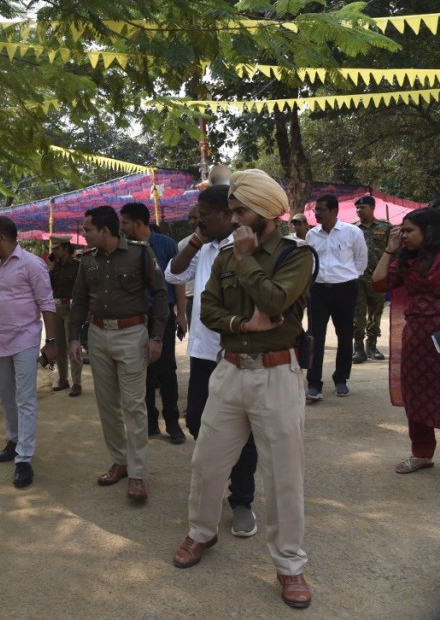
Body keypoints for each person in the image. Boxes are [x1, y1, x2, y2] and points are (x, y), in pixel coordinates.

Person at [173, 169, 315, 609]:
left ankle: (289, 565)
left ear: (268, 213)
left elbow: (275, 301)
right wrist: (240, 323)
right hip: (230, 369)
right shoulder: (223, 255)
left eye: (240, 211)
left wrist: (250, 261)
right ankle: (201, 533)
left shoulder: (297, 255)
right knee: (207, 461)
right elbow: (209, 309)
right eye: (231, 211)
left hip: (278, 374)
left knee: (284, 476)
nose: (233, 220)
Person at [165, 185, 259, 538]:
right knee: (197, 421)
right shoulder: (200, 247)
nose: (199, 219)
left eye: (205, 214)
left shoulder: (246, 246)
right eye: (197, 215)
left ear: (228, 214)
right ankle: (220, 473)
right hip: (204, 352)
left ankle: (242, 501)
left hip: (236, 352)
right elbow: (173, 275)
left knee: (243, 430)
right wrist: (194, 241)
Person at [69, 206, 168, 503]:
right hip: (98, 335)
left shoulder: (140, 253)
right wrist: (74, 337)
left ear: (105, 231)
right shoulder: (87, 262)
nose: (84, 235)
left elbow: (160, 294)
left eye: (87, 229)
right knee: (106, 403)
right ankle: (119, 460)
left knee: (134, 405)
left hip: (132, 334)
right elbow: (80, 300)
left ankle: (137, 473)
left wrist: (157, 337)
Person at [0, 216, 58, 489]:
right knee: (5, 394)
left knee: (25, 398)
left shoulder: (31, 264)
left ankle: (24, 459)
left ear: (2, 237)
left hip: (25, 340)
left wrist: (50, 342)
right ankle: (14, 441)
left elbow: (47, 303)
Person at [372, 208, 440, 474]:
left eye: (409, 230)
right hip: (419, 338)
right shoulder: (407, 259)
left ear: (430, 231)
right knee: (417, 393)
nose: (404, 235)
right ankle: (421, 453)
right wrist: (390, 250)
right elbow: (378, 283)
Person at [120, 202, 187, 444]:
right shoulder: (125, 248)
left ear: (139, 223)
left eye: (125, 222)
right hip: (137, 317)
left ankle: (172, 423)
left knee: (167, 370)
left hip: (163, 315)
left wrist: (181, 313)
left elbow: (178, 279)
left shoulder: (167, 244)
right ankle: (149, 422)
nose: (122, 226)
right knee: (142, 370)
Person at [304, 194, 368, 401]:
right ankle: (314, 383)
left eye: (321, 209)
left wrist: (345, 277)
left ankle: (341, 379)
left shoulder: (352, 232)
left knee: (345, 335)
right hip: (318, 291)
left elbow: (361, 262)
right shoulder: (311, 235)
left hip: (345, 290)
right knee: (315, 337)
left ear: (334, 211)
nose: (317, 213)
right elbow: (308, 263)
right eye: (316, 209)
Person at [353, 196, 392, 363]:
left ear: (372, 207)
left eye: (362, 207)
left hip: (378, 277)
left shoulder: (386, 227)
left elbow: (394, 251)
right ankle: (358, 348)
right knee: (357, 314)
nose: (359, 211)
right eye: (357, 208)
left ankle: (372, 345)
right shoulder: (352, 229)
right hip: (357, 277)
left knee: (376, 313)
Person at [49, 240, 83, 397]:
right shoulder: (53, 266)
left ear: (65, 249)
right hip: (55, 307)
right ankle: (63, 378)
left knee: (72, 345)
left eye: (57, 248)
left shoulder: (77, 265)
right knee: (59, 346)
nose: (54, 251)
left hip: (71, 308)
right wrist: (50, 267)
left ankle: (77, 382)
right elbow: (46, 286)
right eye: (53, 249)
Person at [177, 205, 200, 323]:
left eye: (195, 218)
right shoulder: (183, 244)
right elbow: (176, 275)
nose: (191, 222)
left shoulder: (221, 242)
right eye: (189, 218)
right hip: (192, 298)